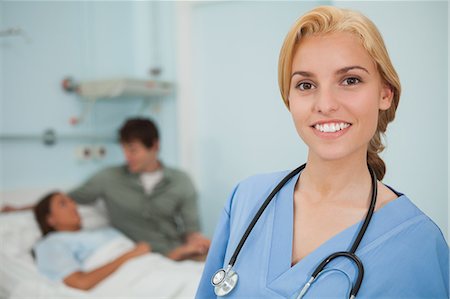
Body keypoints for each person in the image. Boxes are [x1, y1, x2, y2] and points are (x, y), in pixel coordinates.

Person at [196, 6, 448, 299]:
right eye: (306, 85)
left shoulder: (418, 245)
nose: (325, 104)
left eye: (350, 80)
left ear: (384, 93)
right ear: (289, 99)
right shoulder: (247, 199)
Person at [68, 117, 210, 261]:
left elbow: (191, 231)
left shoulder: (181, 180)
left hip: (178, 252)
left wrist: (199, 244)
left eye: (133, 150)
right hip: (137, 257)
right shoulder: (108, 178)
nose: (127, 157)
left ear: (154, 146)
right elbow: (63, 202)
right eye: (124, 149)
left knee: (221, 266)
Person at [33, 191, 151, 290]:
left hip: (153, 269)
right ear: (50, 219)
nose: (73, 206)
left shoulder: (101, 231)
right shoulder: (51, 243)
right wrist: (129, 255)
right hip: (136, 283)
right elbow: (80, 283)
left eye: (71, 201)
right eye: (63, 204)